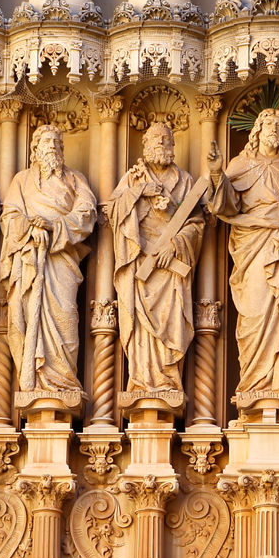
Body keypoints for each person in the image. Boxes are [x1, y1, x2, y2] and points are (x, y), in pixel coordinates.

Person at [207, 107, 279, 396]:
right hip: (253, 245)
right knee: (255, 311)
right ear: (256, 131)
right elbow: (226, 205)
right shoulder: (241, 163)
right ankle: (253, 382)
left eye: (278, 125)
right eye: (268, 123)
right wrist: (215, 173)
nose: (273, 129)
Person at [0, 124, 97, 396]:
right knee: (28, 318)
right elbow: (9, 216)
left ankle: (62, 381)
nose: (52, 146)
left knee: (65, 315)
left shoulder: (75, 180)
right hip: (31, 261)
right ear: (35, 149)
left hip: (62, 260)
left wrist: (54, 226)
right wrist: (33, 229)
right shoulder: (21, 180)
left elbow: (87, 214)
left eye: (57, 142)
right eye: (46, 142)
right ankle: (36, 383)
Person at [107, 122, 203, 394]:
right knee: (140, 325)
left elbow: (196, 223)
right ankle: (141, 379)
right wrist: (139, 192)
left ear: (173, 145)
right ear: (145, 146)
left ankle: (167, 381)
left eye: (166, 139)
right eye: (155, 139)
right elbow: (112, 213)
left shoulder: (185, 181)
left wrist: (174, 245)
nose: (161, 144)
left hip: (170, 267)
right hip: (139, 264)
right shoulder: (133, 178)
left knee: (171, 326)